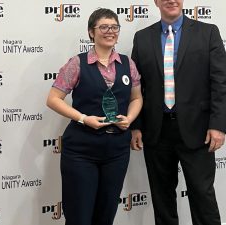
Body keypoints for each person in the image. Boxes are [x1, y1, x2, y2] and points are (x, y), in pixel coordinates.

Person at [130, 0, 226, 225]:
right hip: (157, 132)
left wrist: (218, 125)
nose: (171, 0)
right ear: (156, 2)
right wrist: (136, 126)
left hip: (198, 130)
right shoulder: (142, 37)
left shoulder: (208, 33)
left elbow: (221, 82)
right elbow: (137, 88)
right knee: (162, 198)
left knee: (202, 195)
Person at [46, 8, 142, 225]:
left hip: (117, 150)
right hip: (82, 150)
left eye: (115, 27)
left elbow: (136, 98)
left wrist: (130, 117)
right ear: (91, 32)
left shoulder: (128, 64)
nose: (110, 31)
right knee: (79, 216)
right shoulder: (77, 63)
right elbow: (53, 99)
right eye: (104, 27)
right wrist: (83, 118)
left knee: (105, 215)